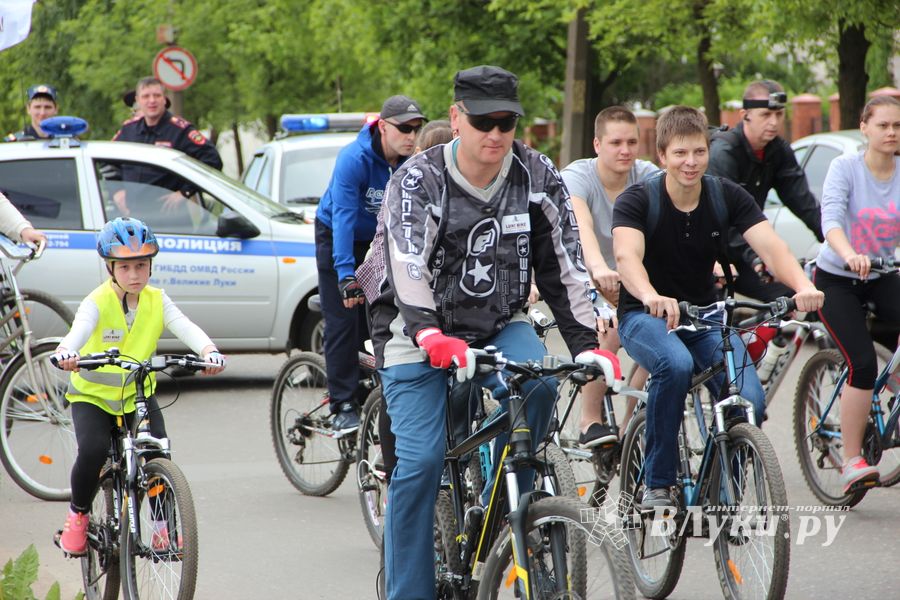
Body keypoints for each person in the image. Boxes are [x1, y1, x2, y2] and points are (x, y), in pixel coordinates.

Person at [369, 64, 613, 599]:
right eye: (484, 122)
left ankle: (514, 512)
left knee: (543, 385)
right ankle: (408, 590)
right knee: (422, 462)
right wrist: (431, 336)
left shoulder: (535, 174)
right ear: (456, 119)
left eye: (507, 122)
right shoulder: (418, 179)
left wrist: (588, 347)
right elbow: (407, 263)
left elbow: (565, 267)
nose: (497, 134)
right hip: (414, 332)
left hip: (498, 322)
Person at [612, 106, 824, 509]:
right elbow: (626, 257)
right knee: (673, 365)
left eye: (698, 152)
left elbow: (772, 247)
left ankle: (725, 494)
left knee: (748, 399)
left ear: (708, 151)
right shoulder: (638, 199)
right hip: (644, 317)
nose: (690, 162)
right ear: (662, 155)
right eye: (679, 154)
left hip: (706, 318)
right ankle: (658, 483)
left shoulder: (725, 194)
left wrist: (801, 285)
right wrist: (650, 295)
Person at [51, 217, 226, 556]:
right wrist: (66, 351)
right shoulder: (96, 302)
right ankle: (78, 515)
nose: (135, 274)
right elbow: (80, 330)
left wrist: (208, 351)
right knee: (93, 451)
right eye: (126, 266)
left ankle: (163, 528)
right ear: (110, 268)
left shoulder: (157, 300)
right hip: (93, 396)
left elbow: (184, 326)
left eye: (142, 265)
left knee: (157, 450)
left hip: (136, 394)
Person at [315, 94, 425, 434]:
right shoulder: (354, 158)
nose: (411, 136)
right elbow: (344, 218)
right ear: (382, 127)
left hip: (380, 238)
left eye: (417, 129)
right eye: (404, 128)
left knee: (380, 318)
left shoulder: (412, 161)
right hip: (339, 234)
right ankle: (343, 404)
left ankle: (375, 391)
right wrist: (346, 275)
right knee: (344, 321)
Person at [812, 95, 900, 492]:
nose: (891, 132)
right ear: (864, 126)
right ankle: (850, 459)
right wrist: (849, 254)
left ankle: (891, 388)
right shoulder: (844, 167)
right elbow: (830, 218)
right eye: (883, 125)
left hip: (882, 273)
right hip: (837, 278)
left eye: (897, 126)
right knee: (862, 364)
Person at [561, 106, 658, 446]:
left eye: (632, 142)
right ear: (597, 144)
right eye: (616, 142)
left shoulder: (647, 175)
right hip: (585, 272)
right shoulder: (578, 176)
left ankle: (632, 423)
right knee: (611, 328)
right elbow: (581, 225)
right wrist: (598, 269)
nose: (625, 150)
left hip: (629, 272)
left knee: (661, 334)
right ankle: (590, 420)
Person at [708, 79, 824, 301]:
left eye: (779, 115)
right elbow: (723, 218)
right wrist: (758, 257)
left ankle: (771, 337)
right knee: (715, 321)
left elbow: (803, 202)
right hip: (710, 255)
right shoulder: (724, 152)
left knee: (791, 298)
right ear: (745, 115)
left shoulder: (778, 151)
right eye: (766, 115)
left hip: (746, 253)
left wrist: (832, 240)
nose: (773, 122)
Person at [111, 77, 223, 217]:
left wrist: (185, 192)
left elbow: (212, 160)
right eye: (146, 96)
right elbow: (107, 162)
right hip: (133, 219)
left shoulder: (180, 130)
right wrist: (117, 192)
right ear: (138, 100)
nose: (152, 100)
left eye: (157, 95)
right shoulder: (129, 130)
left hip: (169, 221)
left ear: (165, 99)